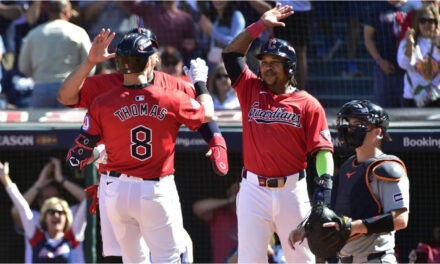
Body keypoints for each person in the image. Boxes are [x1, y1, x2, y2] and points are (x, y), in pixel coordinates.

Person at [64, 30, 214, 263]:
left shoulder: (102, 101)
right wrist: (201, 83)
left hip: (116, 190)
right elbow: (208, 114)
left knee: (133, 260)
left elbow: (82, 148)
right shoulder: (169, 97)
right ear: (149, 62)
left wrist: (90, 153)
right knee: (169, 257)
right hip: (155, 189)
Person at [222, 4, 334, 263]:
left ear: (291, 69)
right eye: (264, 62)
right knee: (249, 260)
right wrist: (260, 24)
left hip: (292, 191)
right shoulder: (250, 88)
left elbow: (323, 150)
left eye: (275, 63)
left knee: (302, 259)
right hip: (252, 189)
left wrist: (324, 190)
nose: (267, 67)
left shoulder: (308, 103)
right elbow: (231, 54)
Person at [291, 100, 410, 263]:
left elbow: (400, 219)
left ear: (378, 132)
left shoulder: (386, 168)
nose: (351, 128)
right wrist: (308, 230)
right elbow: (337, 215)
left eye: (359, 123)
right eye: (350, 123)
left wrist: (351, 226)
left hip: (375, 258)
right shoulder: (348, 166)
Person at [0, 161, 87, 263]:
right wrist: (5, 179)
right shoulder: (36, 236)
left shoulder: (73, 234)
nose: (56, 215)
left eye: (61, 212)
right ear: (44, 217)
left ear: (67, 216)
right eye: (51, 212)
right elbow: (21, 208)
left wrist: (61, 179)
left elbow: (88, 199)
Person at [18, 0, 92, 108]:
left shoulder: (34, 34)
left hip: (41, 88)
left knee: (36, 124)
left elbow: (24, 67)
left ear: (48, 11)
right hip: (70, 89)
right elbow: (89, 65)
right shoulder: (78, 32)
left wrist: (41, 77)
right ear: (68, 12)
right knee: (71, 125)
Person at [364, 0, 406, 107]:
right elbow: (368, 39)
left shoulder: (413, 6)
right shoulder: (376, 8)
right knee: (385, 113)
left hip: (409, 71)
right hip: (384, 71)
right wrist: (380, 61)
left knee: (411, 113)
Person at [397, 5, 440, 107]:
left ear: (436, 22)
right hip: (413, 98)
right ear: (417, 22)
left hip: (437, 97)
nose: (427, 24)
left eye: (431, 21)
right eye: (423, 20)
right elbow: (403, 65)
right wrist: (409, 46)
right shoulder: (408, 41)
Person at [193, 181, 239, 263]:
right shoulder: (220, 214)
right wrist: (230, 200)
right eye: (235, 188)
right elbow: (197, 208)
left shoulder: (252, 215)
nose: (238, 190)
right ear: (228, 192)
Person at [273, 1, 311, 90]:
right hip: (281, 9)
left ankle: (300, 92)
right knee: (280, 53)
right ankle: (282, 91)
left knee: (299, 53)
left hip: (301, 10)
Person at [199, 1, 245, 66]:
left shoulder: (237, 16)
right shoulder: (215, 18)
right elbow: (205, 45)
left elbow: (234, 42)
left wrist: (212, 32)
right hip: (212, 64)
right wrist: (205, 30)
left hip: (231, 64)